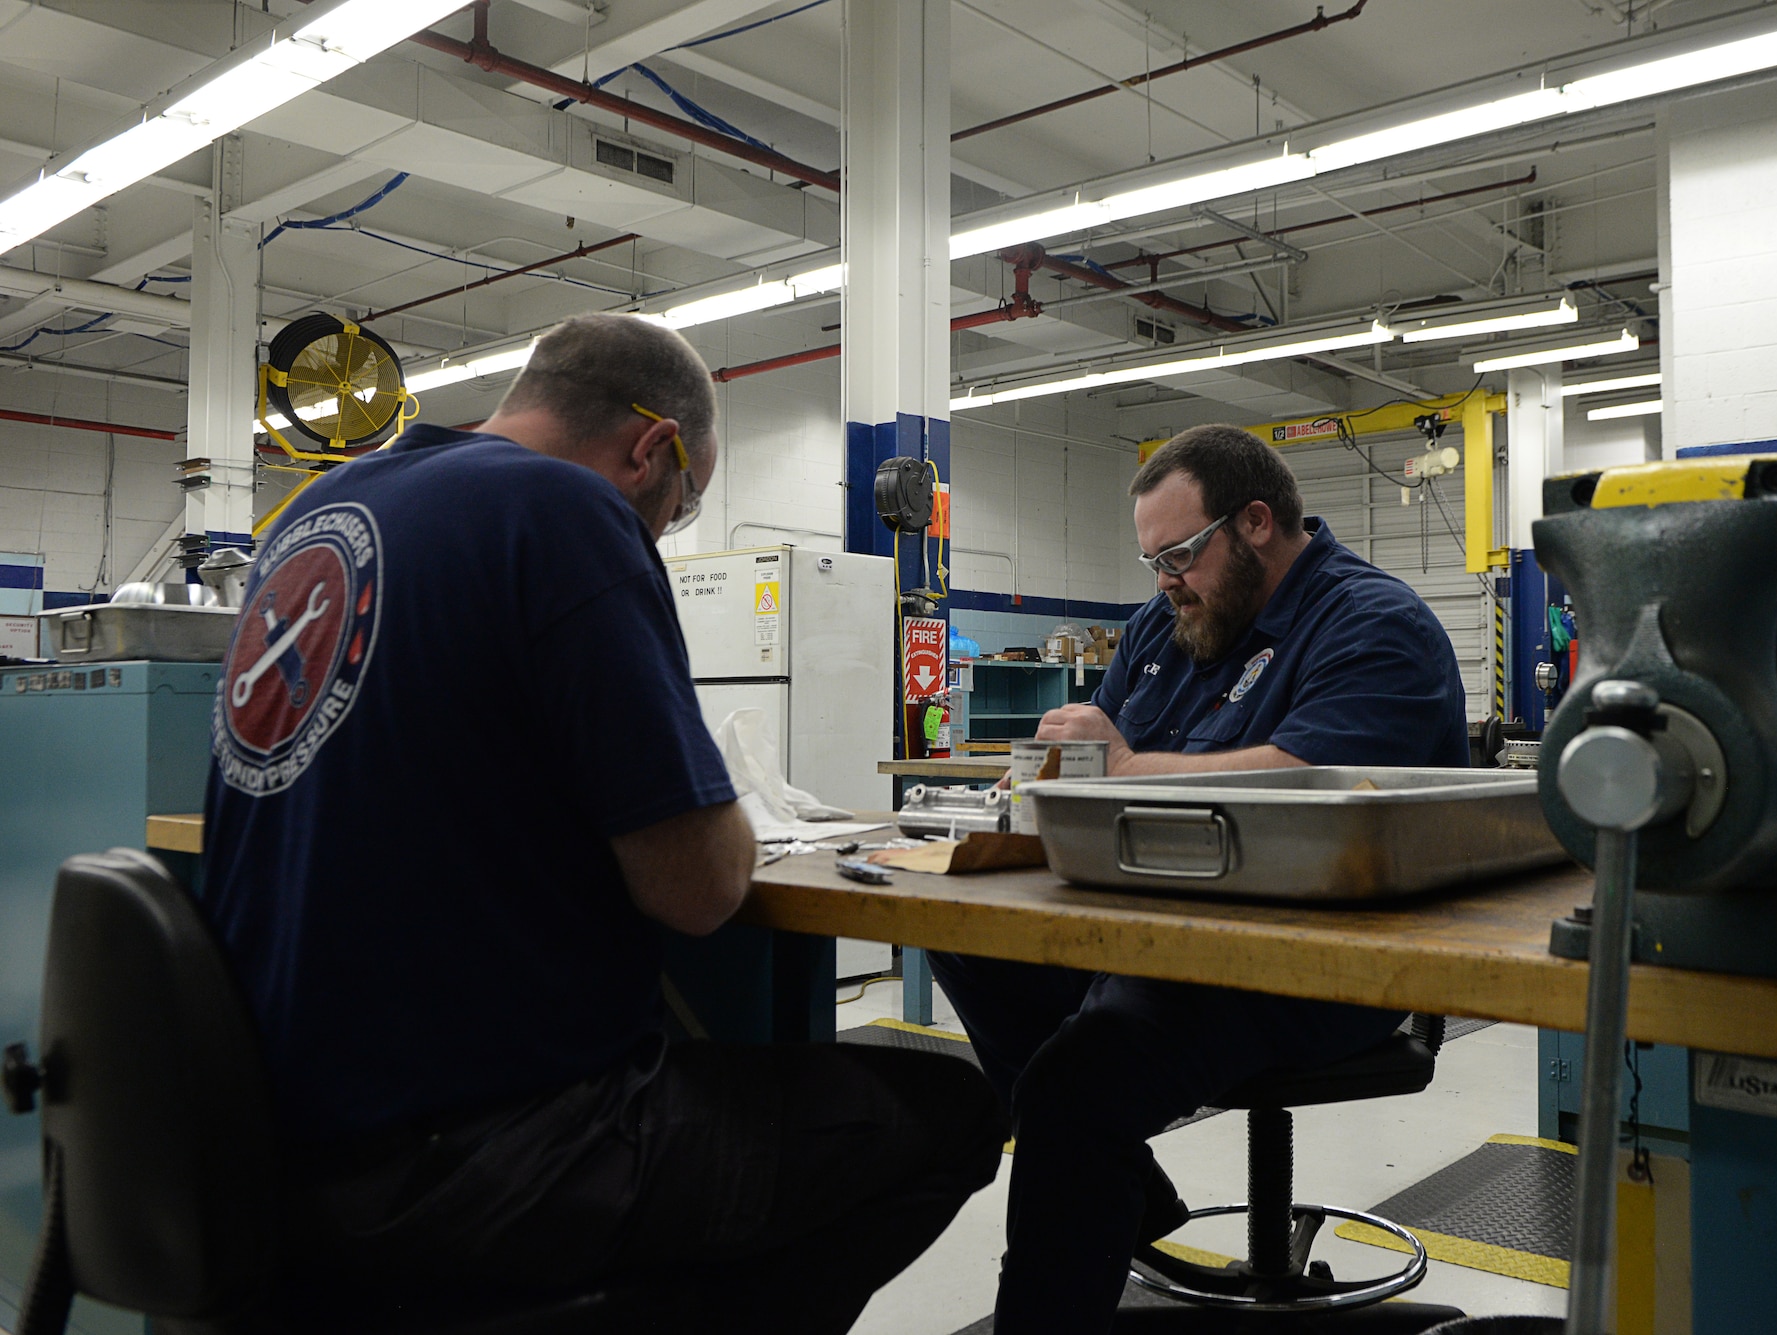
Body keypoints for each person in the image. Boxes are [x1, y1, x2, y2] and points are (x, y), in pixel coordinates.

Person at [202, 312, 1005, 1333]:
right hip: (482, 1152)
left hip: (276, 1143)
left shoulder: (317, 512)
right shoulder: (562, 509)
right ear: (651, 451)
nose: (665, 531)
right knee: (949, 1113)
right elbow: (700, 888)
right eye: (679, 511)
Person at [928, 423, 1468, 1334]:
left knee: (1075, 1084)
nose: (1166, 579)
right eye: (1153, 562)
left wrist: (1124, 765)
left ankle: (1084, 1182)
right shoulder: (1167, 619)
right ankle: (1117, 1183)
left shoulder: (1376, 626)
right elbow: (1098, 748)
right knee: (967, 942)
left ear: (1256, 522)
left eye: (1179, 553)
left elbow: (1308, 790)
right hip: (1155, 933)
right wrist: (1043, 778)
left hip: (1303, 960)